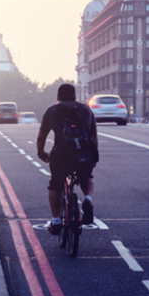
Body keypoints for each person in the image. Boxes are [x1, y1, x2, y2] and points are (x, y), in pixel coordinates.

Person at [36, 83, 98, 233]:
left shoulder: (52, 111)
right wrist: (93, 155)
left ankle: (56, 221)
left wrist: (41, 152)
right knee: (86, 176)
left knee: (55, 185)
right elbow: (93, 135)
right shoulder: (86, 110)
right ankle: (88, 199)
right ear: (75, 96)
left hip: (62, 154)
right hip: (84, 153)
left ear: (58, 96)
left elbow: (42, 136)